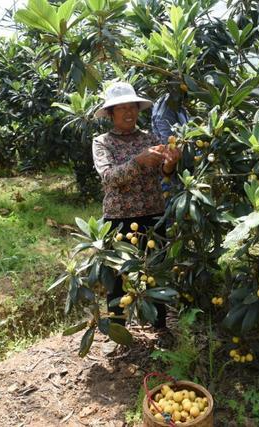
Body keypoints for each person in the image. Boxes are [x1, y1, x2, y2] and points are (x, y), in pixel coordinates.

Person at [92, 82, 180, 329]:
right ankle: (117, 331)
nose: (129, 113)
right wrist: (138, 161)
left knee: (155, 275)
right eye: (121, 109)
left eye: (132, 108)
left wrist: (170, 164)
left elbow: (164, 174)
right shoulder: (102, 143)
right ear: (111, 114)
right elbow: (109, 178)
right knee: (116, 279)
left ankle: (160, 327)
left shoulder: (150, 138)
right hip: (119, 219)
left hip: (153, 216)